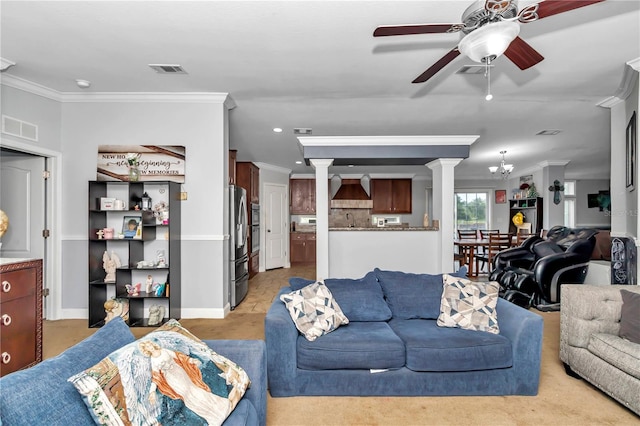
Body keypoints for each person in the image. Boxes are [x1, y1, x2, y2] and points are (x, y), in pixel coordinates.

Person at [138, 340, 231, 425]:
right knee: (187, 397)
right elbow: (156, 376)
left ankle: (218, 406)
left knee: (193, 389)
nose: (150, 347)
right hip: (171, 379)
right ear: (147, 350)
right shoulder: (153, 360)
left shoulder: (164, 351)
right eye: (147, 347)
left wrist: (191, 360)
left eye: (149, 344)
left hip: (179, 372)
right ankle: (210, 416)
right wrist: (152, 391)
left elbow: (179, 356)